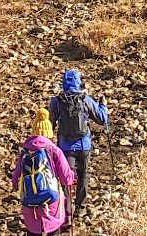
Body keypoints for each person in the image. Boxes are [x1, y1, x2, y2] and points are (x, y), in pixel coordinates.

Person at [50, 70, 109, 222]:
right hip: (84, 145)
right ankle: (81, 208)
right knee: (83, 175)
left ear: (63, 83)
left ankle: (67, 210)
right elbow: (102, 119)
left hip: (65, 146)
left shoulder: (57, 101)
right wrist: (103, 105)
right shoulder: (85, 100)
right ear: (79, 82)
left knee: (66, 178)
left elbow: (50, 123)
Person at [12, 108, 77, 234]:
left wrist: (15, 184)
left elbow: (16, 176)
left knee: (33, 229)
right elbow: (66, 178)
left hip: (30, 201)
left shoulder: (25, 151)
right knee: (53, 227)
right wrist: (72, 176)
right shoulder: (53, 150)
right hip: (50, 200)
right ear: (49, 131)